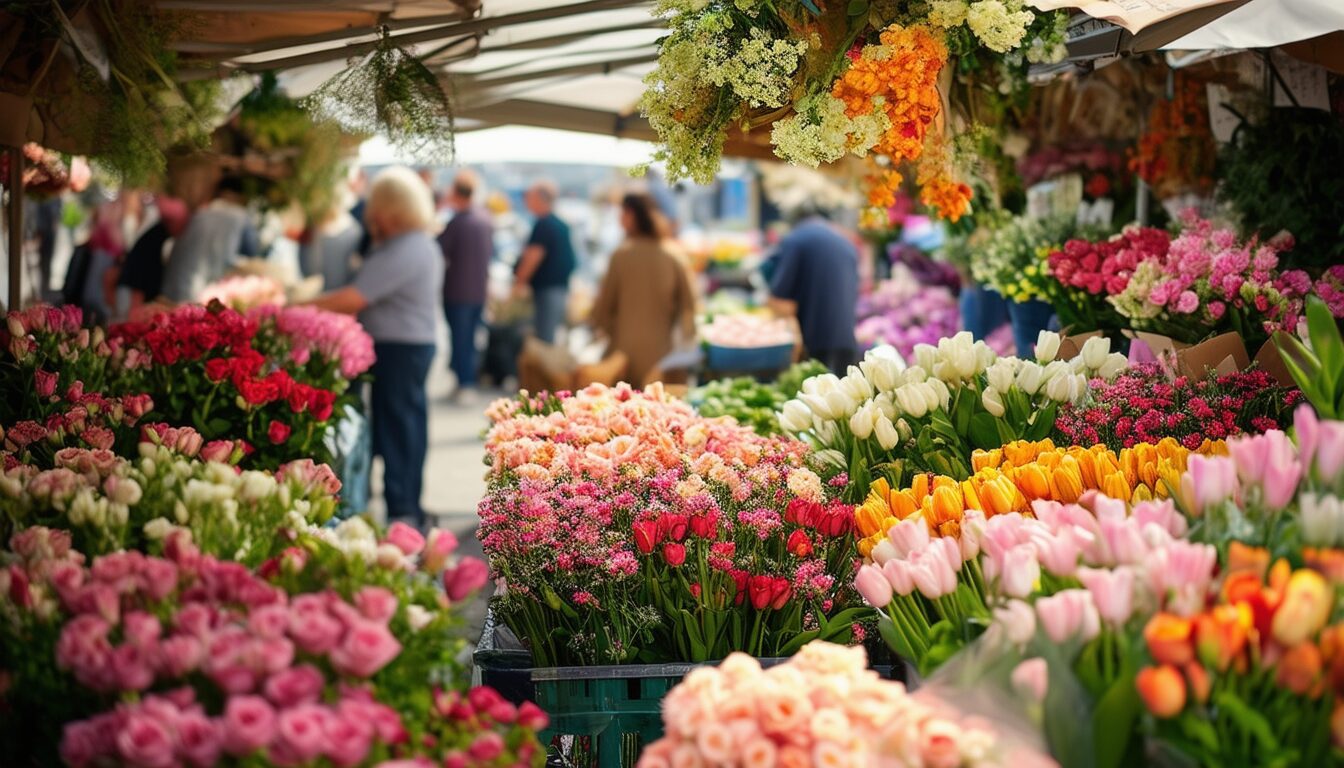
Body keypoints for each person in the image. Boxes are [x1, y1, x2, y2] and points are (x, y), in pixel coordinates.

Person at [305, 166, 443, 529]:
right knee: (403, 425)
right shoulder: (411, 244)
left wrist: (296, 305)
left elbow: (354, 297)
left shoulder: (407, 247)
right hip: (405, 345)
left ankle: (404, 510)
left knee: (399, 428)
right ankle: (406, 505)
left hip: (400, 347)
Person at [589, 193, 697, 387]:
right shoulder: (673, 254)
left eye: (621, 213)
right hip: (663, 354)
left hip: (624, 353)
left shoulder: (621, 255)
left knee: (626, 410)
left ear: (630, 215)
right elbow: (689, 305)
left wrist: (597, 324)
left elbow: (604, 306)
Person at [766, 209, 859, 374]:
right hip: (847, 340)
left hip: (815, 343)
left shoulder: (795, 240)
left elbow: (780, 300)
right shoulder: (844, 241)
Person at [437, 170, 494, 399]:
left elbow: (440, 250)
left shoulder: (457, 222)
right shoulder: (485, 219)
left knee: (460, 339)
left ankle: (465, 382)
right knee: (469, 338)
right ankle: (467, 380)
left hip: (457, 291)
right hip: (478, 290)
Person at [161, 176, 259, 302]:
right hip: (208, 290)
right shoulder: (241, 217)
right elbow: (251, 252)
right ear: (240, 196)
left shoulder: (200, 212)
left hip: (174, 285)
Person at [512, 180, 575, 344]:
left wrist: (518, 284)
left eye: (530, 197)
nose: (526, 201)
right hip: (559, 289)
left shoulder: (544, 224)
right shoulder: (559, 223)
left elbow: (532, 258)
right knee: (547, 335)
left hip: (548, 290)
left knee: (544, 338)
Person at [118, 196, 189, 310]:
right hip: (136, 290)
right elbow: (139, 274)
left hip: (136, 289)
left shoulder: (157, 234)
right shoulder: (157, 238)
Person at [299, 193, 363, 290]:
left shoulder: (353, 231)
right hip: (319, 293)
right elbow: (309, 272)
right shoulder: (311, 232)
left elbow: (355, 271)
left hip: (343, 294)